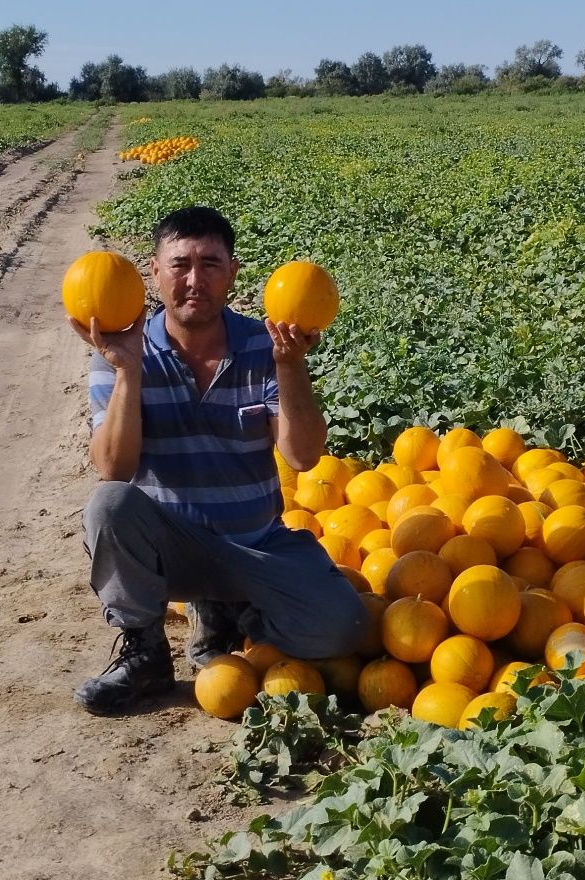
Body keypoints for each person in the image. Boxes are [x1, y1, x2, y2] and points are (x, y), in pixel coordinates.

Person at [70, 204, 368, 714]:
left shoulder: (264, 344)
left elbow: (301, 457)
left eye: (210, 264)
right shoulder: (120, 349)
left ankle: (231, 609)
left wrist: (290, 366)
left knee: (344, 627)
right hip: (171, 549)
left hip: (256, 544)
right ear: (155, 271)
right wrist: (128, 372)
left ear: (232, 273)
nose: (194, 280)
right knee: (109, 505)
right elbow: (114, 468)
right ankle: (145, 652)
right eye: (180, 264)